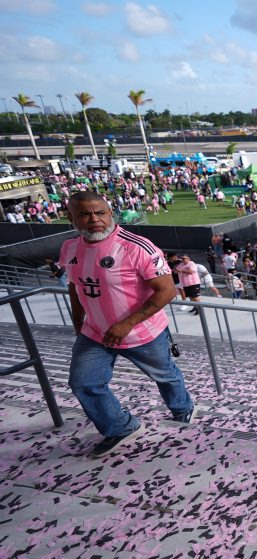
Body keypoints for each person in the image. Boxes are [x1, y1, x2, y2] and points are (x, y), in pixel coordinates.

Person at [59, 191, 196, 458]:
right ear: (71, 218)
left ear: (111, 213)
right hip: (95, 334)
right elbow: (75, 288)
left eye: (100, 212)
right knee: (83, 382)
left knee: (165, 374)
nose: (94, 219)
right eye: (84, 214)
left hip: (143, 334)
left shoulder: (136, 246)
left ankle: (183, 408)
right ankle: (120, 427)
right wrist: (79, 325)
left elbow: (166, 291)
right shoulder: (70, 248)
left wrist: (127, 323)